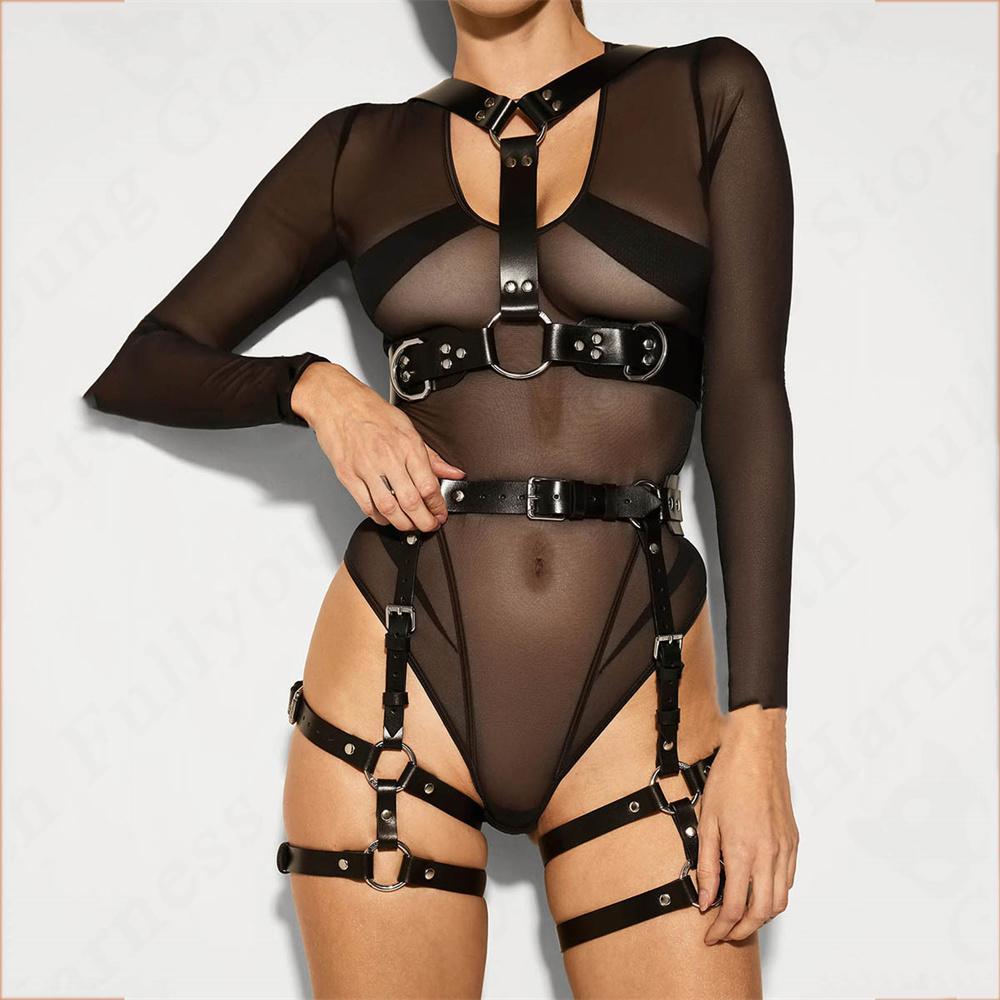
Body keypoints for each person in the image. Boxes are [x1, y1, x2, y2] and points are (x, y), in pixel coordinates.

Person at [83, 1, 799, 996]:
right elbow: (142, 363)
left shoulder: (706, 91)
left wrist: (760, 731)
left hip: (645, 697)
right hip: (392, 699)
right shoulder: (358, 150)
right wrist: (314, 389)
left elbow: (750, 405)